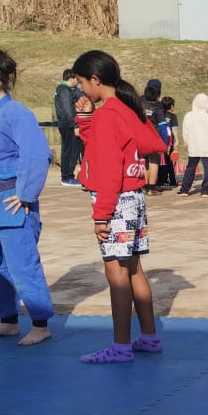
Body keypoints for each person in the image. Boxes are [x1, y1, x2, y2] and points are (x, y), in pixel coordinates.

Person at [71, 50, 167, 363]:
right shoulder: (126, 109)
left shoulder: (109, 114)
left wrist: (101, 216)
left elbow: (108, 167)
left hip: (115, 200)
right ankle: (149, 336)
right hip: (134, 198)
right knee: (134, 268)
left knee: (116, 273)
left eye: (82, 82)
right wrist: (87, 119)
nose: (81, 88)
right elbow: (149, 144)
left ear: (95, 80)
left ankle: (121, 346)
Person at [0, 49, 55, 346]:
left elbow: (37, 154)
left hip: (11, 201)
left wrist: (26, 194)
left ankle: (40, 324)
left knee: (23, 265)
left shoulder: (16, 112)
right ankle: (8, 320)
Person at [178, 92, 208, 197]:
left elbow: (185, 130)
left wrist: (186, 140)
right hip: (207, 146)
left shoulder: (189, 116)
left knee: (191, 167)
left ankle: (184, 190)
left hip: (194, 144)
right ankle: (205, 190)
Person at [54, 69, 84, 188]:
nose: (78, 82)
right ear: (71, 79)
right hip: (68, 124)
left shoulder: (62, 90)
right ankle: (67, 177)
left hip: (65, 123)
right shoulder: (65, 91)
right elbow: (68, 109)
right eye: (76, 79)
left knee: (68, 150)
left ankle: (67, 176)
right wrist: (75, 125)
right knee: (71, 150)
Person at [141, 79, 167, 193]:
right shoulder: (158, 106)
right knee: (154, 160)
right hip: (154, 136)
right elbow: (162, 126)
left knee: (144, 160)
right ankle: (152, 187)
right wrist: (165, 142)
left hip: (140, 135)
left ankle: (144, 185)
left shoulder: (138, 101)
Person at [156, 96, 179, 189]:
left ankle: (160, 181)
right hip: (169, 142)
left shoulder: (158, 114)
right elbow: (174, 130)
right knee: (169, 162)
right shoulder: (173, 116)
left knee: (160, 161)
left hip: (159, 140)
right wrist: (177, 140)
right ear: (172, 106)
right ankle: (172, 181)